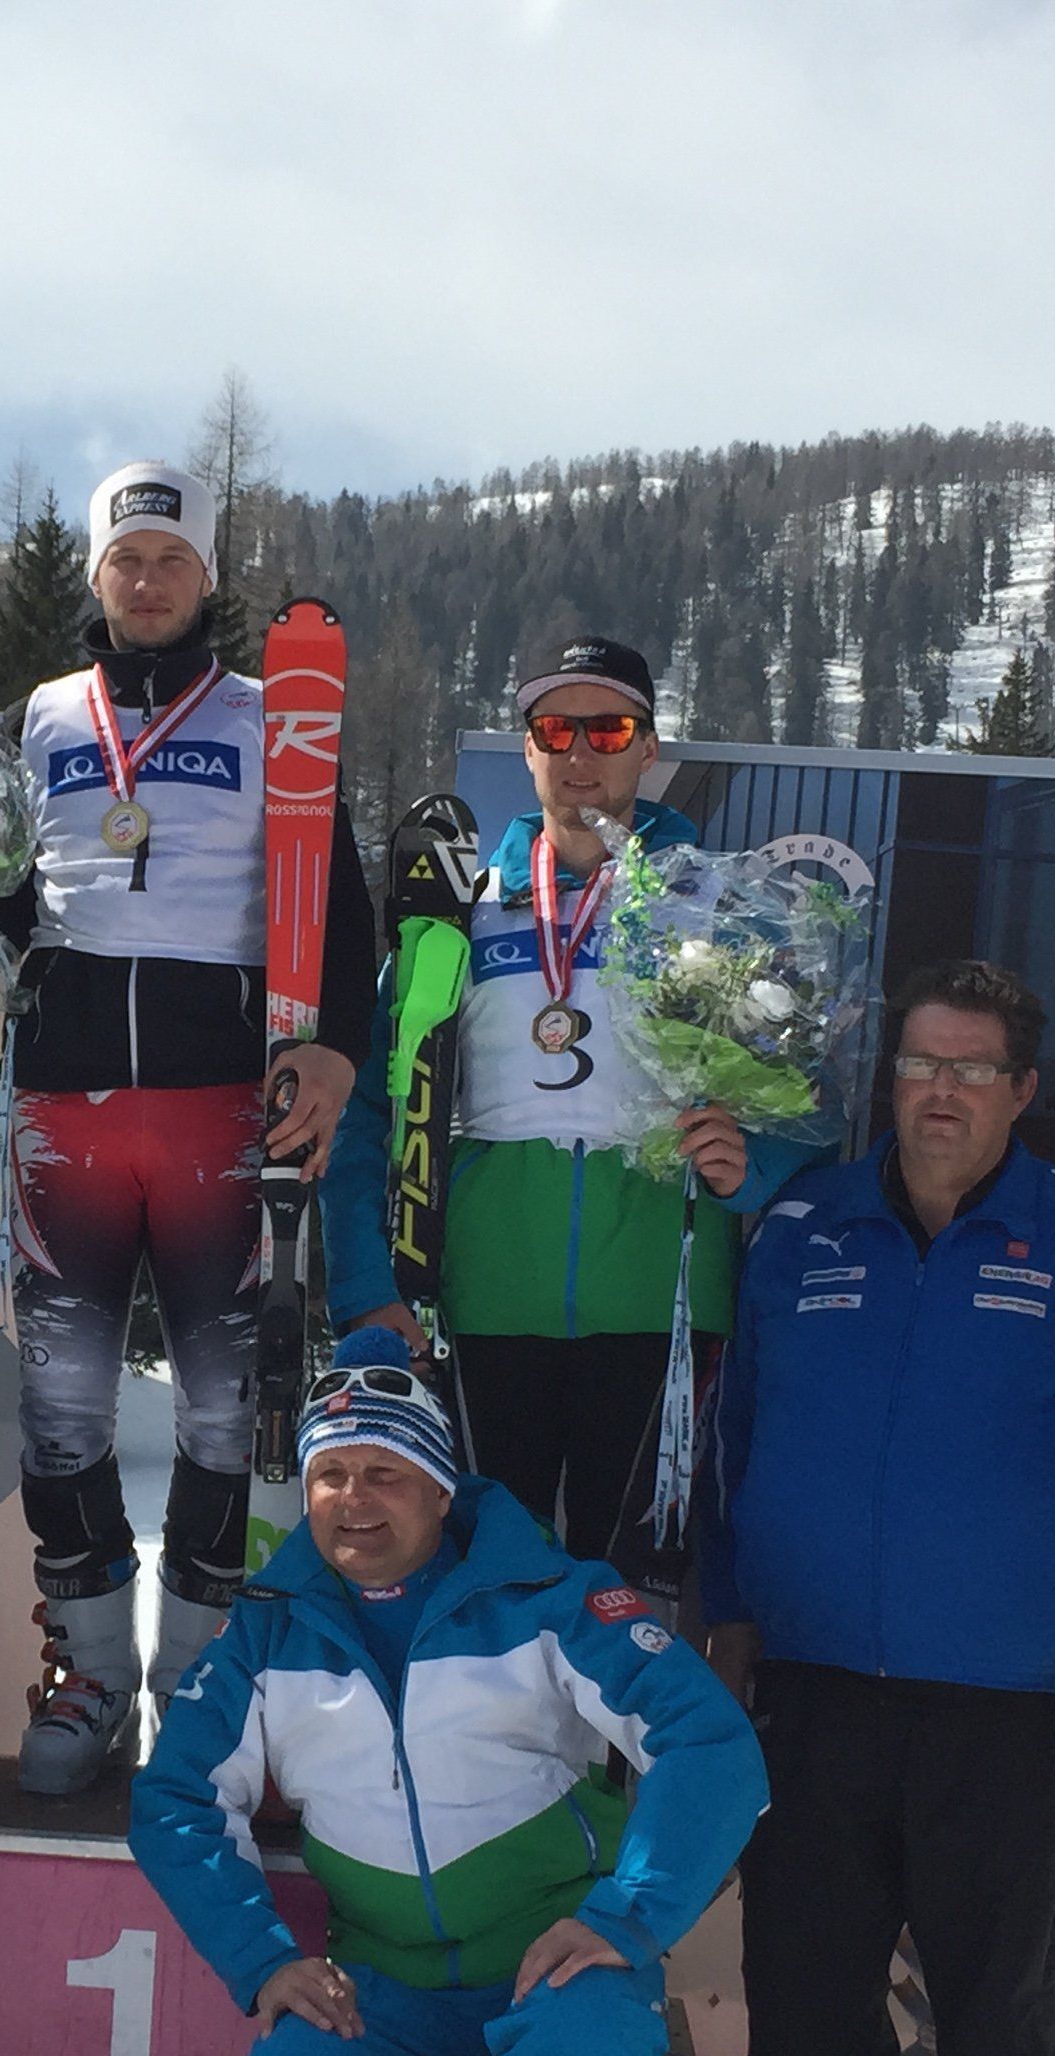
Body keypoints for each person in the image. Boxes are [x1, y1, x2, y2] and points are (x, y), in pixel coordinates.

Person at [132, 1327, 766, 2056]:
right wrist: (264, 1959)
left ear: (437, 1486)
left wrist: (625, 1914)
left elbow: (709, 1744)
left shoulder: (547, 1595)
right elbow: (174, 1799)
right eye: (329, 1473)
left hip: (547, 1959)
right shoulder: (266, 1633)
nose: (352, 1501)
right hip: (390, 1983)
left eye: (382, 1472)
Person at [698, 960, 1055, 2056]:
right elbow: (736, 1429)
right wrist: (730, 1607)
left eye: (969, 1068)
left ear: (1022, 1090)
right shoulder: (803, 1223)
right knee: (807, 1988)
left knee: (998, 2015)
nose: (937, 1091)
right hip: (813, 1679)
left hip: (1004, 1699)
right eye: (915, 1065)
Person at [0, 458, 377, 1791]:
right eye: (125, 560)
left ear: (206, 575)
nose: (146, 582)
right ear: (98, 575)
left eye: (170, 560)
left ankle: (196, 1684)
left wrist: (337, 1052)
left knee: (224, 1415)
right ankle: (88, 1672)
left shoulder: (276, 715)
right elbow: (6, 891)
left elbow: (344, 905)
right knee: (65, 1408)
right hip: (69, 1106)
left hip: (221, 1110)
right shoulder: (33, 719)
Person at [322, 636, 806, 1564]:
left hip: (660, 1306)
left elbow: (806, 1107)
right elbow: (370, 1115)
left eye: (609, 727)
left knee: (636, 1591)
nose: (582, 752)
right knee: (489, 1583)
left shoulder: (718, 908)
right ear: (529, 748)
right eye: (556, 729)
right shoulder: (462, 911)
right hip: (482, 1303)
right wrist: (365, 1285)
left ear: (648, 749)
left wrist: (758, 1166)